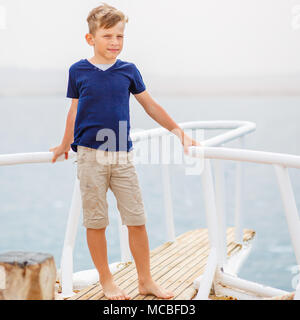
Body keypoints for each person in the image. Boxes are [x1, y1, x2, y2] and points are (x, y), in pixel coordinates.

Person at [50, 3, 201, 300]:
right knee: (96, 222)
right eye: (108, 36)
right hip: (90, 157)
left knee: (137, 219)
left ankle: (146, 281)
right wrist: (64, 142)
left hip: (122, 156)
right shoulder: (78, 71)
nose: (115, 42)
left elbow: (150, 105)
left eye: (120, 36)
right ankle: (107, 281)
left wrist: (179, 132)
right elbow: (73, 111)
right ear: (90, 38)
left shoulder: (128, 71)